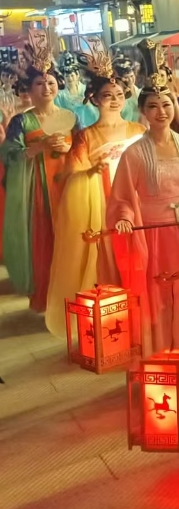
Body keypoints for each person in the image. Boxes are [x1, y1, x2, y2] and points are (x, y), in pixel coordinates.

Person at [45, 39, 147, 335]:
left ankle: (141, 317)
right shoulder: (85, 136)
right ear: (95, 99)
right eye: (107, 95)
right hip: (100, 203)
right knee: (107, 261)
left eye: (119, 94)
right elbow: (70, 175)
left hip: (137, 202)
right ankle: (110, 325)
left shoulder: (139, 130)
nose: (114, 100)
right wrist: (91, 172)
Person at [108, 49, 179, 354]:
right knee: (159, 296)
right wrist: (124, 217)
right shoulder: (134, 153)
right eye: (153, 106)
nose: (161, 111)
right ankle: (161, 354)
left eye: (166, 104)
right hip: (153, 236)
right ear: (142, 111)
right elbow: (122, 197)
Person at [1, 32, 76, 311]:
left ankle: (70, 294)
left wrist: (68, 149)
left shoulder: (70, 117)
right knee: (43, 241)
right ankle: (45, 296)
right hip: (37, 191)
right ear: (29, 89)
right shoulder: (22, 121)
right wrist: (39, 147)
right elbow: (9, 154)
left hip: (67, 186)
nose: (46, 88)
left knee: (69, 238)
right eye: (40, 83)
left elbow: (82, 150)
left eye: (51, 82)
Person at [55, 53, 97, 129]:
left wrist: (88, 105)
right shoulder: (60, 96)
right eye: (67, 76)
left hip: (90, 126)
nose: (70, 78)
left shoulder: (86, 90)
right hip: (71, 128)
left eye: (72, 75)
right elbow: (58, 116)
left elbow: (96, 113)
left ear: (77, 75)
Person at [112, 55, 144, 123]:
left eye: (132, 76)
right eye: (126, 77)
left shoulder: (141, 93)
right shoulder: (115, 97)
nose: (130, 80)